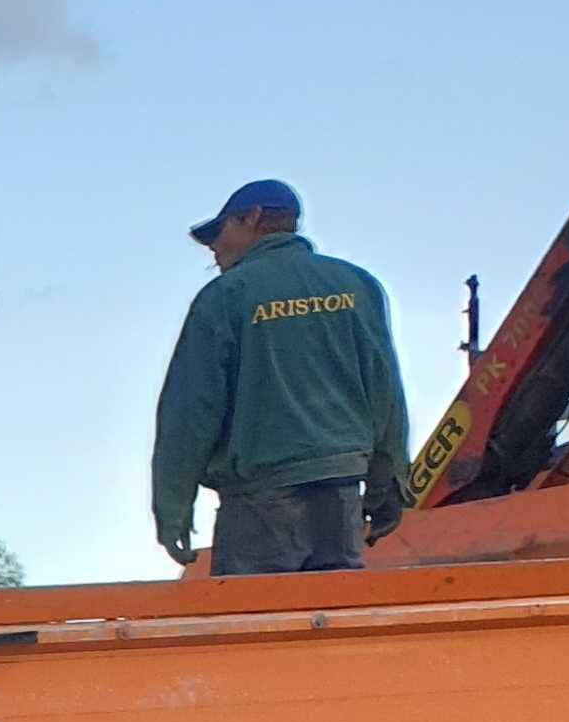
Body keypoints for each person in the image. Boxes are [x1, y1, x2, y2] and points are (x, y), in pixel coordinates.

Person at [151, 177, 413, 580]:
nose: (215, 253)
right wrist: (388, 485)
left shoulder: (225, 297)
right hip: (339, 497)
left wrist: (173, 507)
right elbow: (384, 392)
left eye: (218, 237)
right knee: (331, 627)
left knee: (257, 630)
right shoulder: (357, 286)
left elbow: (189, 412)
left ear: (253, 219)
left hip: (259, 506)